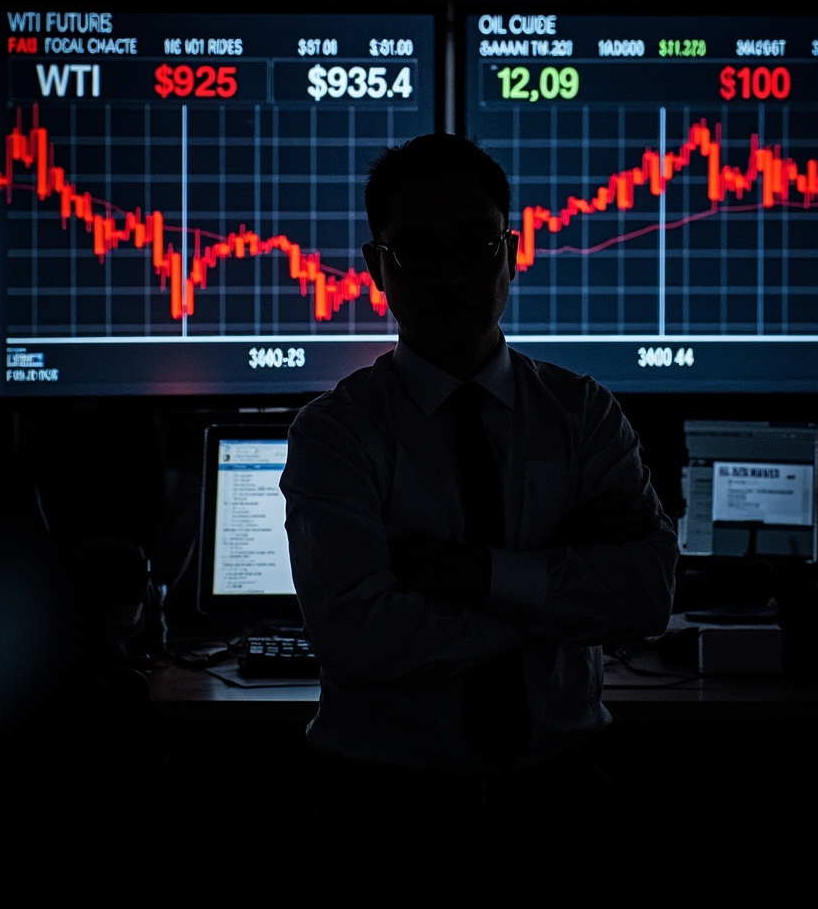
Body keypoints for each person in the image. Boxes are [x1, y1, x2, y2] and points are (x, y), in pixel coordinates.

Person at [280, 133, 679, 867]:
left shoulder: (583, 414)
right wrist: (552, 594)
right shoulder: (334, 433)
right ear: (377, 266)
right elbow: (359, 641)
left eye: (475, 242)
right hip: (386, 816)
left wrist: (465, 573)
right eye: (417, 249)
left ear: (512, 250)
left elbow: (646, 595)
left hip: (563, 803)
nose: (452, 272)